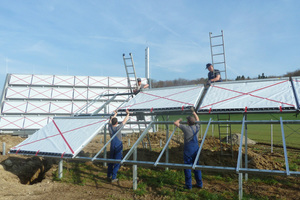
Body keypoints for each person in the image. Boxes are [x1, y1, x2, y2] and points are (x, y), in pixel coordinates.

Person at [174, 107, 203, 190]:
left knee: (187, 167)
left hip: (188, 150)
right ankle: (199, 184)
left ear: (187, 122)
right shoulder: (197, 127)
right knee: (196, 166)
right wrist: (194, 112)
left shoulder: (186, 128)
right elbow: (198, 119)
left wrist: (179, 119)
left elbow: (175, 123)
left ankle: (188, 186)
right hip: (196, 149)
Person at [107, 109, 130, 183]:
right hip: (118, 146)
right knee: (117, 161)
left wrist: (115, 114)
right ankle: (113, 177)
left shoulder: (110, 128)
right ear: (117, 122)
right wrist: (128, 114)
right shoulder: (118, 128)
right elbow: (124, 121)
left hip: (112, 145)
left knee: (110, 161)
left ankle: (108, 175)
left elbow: (110, 121)